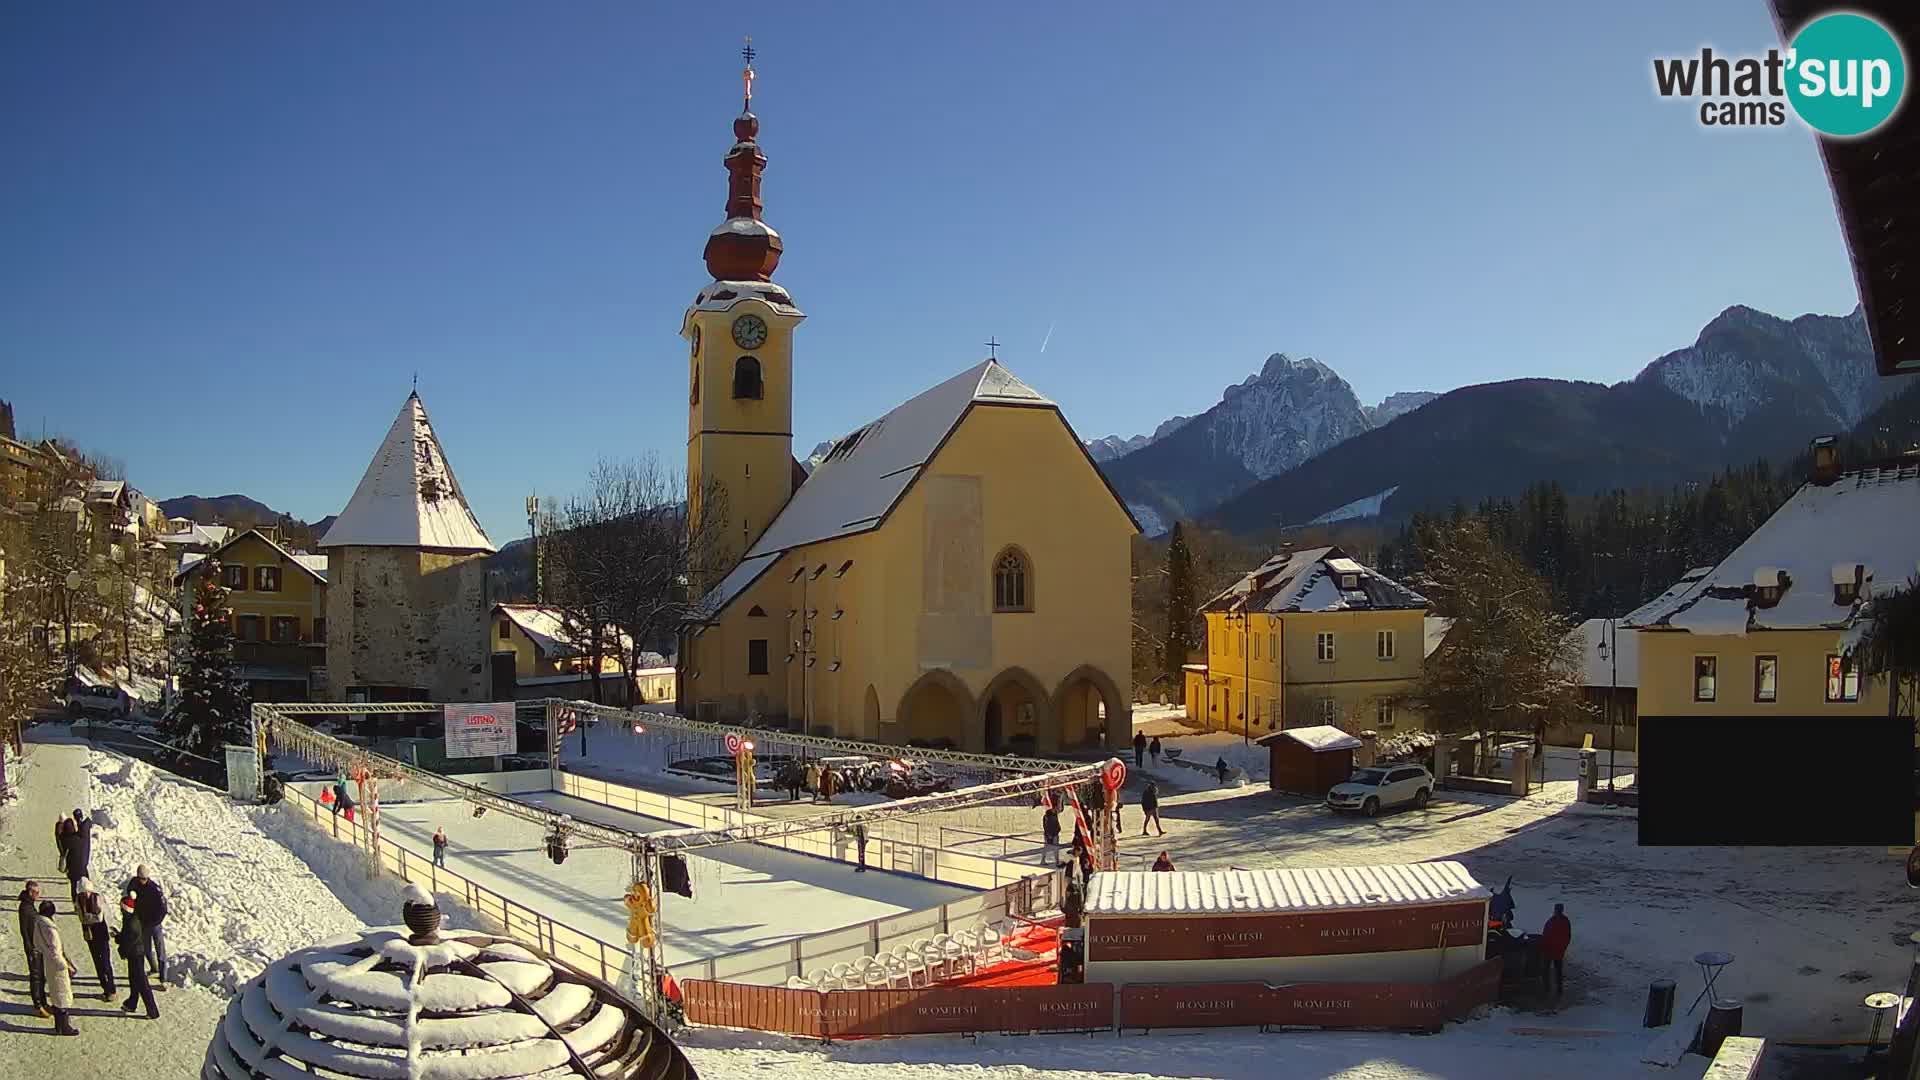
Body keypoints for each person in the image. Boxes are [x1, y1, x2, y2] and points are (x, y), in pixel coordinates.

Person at [34, 899, 80, 1035]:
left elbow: (37, 943)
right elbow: (55, 951)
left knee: (55, 993)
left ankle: (59, 1026)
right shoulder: (50, 928)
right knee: (62, 995)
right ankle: (64, 1027)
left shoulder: (38, 923)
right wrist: (66, 966)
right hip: (57, 965)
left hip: (48, 962)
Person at [123, 865, 169, 988]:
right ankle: (154, 969)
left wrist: (155, 921)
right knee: (147, 949)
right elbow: (128, 892)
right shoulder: (134, 883)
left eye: (143, 878)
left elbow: (163, 909)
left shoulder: (154, 889)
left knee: (160, 951)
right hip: (143, 923)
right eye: (139, 878)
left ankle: (163, 978)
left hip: (154, 924)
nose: (141, 881)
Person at [74, 877, 117, 1000]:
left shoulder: (97, 898)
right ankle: (105, 988)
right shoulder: (78, 899)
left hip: (100, 933)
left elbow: (98, 917)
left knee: (105, 962)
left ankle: (111, 989)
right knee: (97, 962)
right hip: (90, 935)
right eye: (83, 892)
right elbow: (82, 918)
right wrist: (88, 917)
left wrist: (87, 917)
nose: (86, 894)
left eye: (87, 891)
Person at [117, 898, 158, 1020]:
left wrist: (121, 948)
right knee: (134, 980)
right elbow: (126, 936)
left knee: (141, 983)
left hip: (136, 954)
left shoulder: (132, 923)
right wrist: (119, 936)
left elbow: (129, 941)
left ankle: (153, 1011)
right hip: (134, 954)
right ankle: (131, 1003)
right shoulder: (129, 918)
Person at [17, 879, 48, 1017]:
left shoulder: (29, 905)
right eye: (35, 892)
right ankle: (38, 1005)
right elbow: (25, 930)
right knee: (36, 977)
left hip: (37, 946)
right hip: (33, 948)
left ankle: (43, 1002)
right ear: (29, 892)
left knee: (41, 976)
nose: (38, 894)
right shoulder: (25, 907)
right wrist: (30, 948)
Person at [1540, 903, 1572, 996]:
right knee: (1557, 971)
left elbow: (1545, 935)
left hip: (1550, 950)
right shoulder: (1565, 921)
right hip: (1557, 951)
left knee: (1546, 970)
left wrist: (1543, 947)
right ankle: (1558, 989)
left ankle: (1547, 988)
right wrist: (1563, 948)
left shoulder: (1552, 921)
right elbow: (1568, 937)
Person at [65, 809, 93, 902]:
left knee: (74, 885)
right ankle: (88, 901)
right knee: (86, 883)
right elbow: (83, 828)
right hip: (84, 864)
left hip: (74, 868)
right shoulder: (84, 835)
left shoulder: (71, 840)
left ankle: (76, 902)